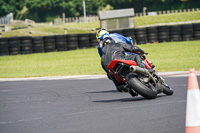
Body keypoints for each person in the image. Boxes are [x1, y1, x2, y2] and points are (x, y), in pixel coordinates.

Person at [96, 29, 150, 94]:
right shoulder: (116, 37)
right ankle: (144, 72)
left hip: (112, 64)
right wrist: (141, 52)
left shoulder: (100, 47)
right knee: (137, 56)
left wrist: (109, 74)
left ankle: (128, 88)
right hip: (124, 55)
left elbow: (104, 59)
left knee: (118, 85)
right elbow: (129, 40)